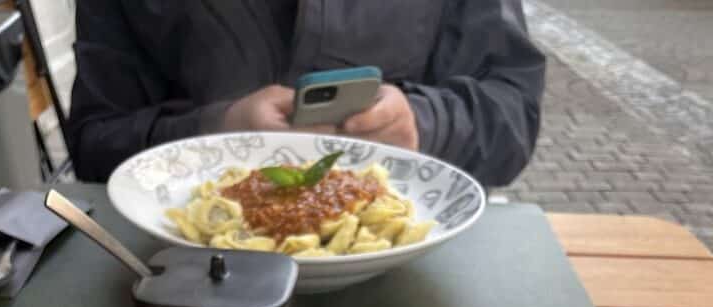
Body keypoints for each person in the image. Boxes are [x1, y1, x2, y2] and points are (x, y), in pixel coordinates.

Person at [68, 1, 545, 188]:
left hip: (410, 278)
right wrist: (216, 133)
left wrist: (423, 124)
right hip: (189, 289)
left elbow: (512, 113)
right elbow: (95, 145)